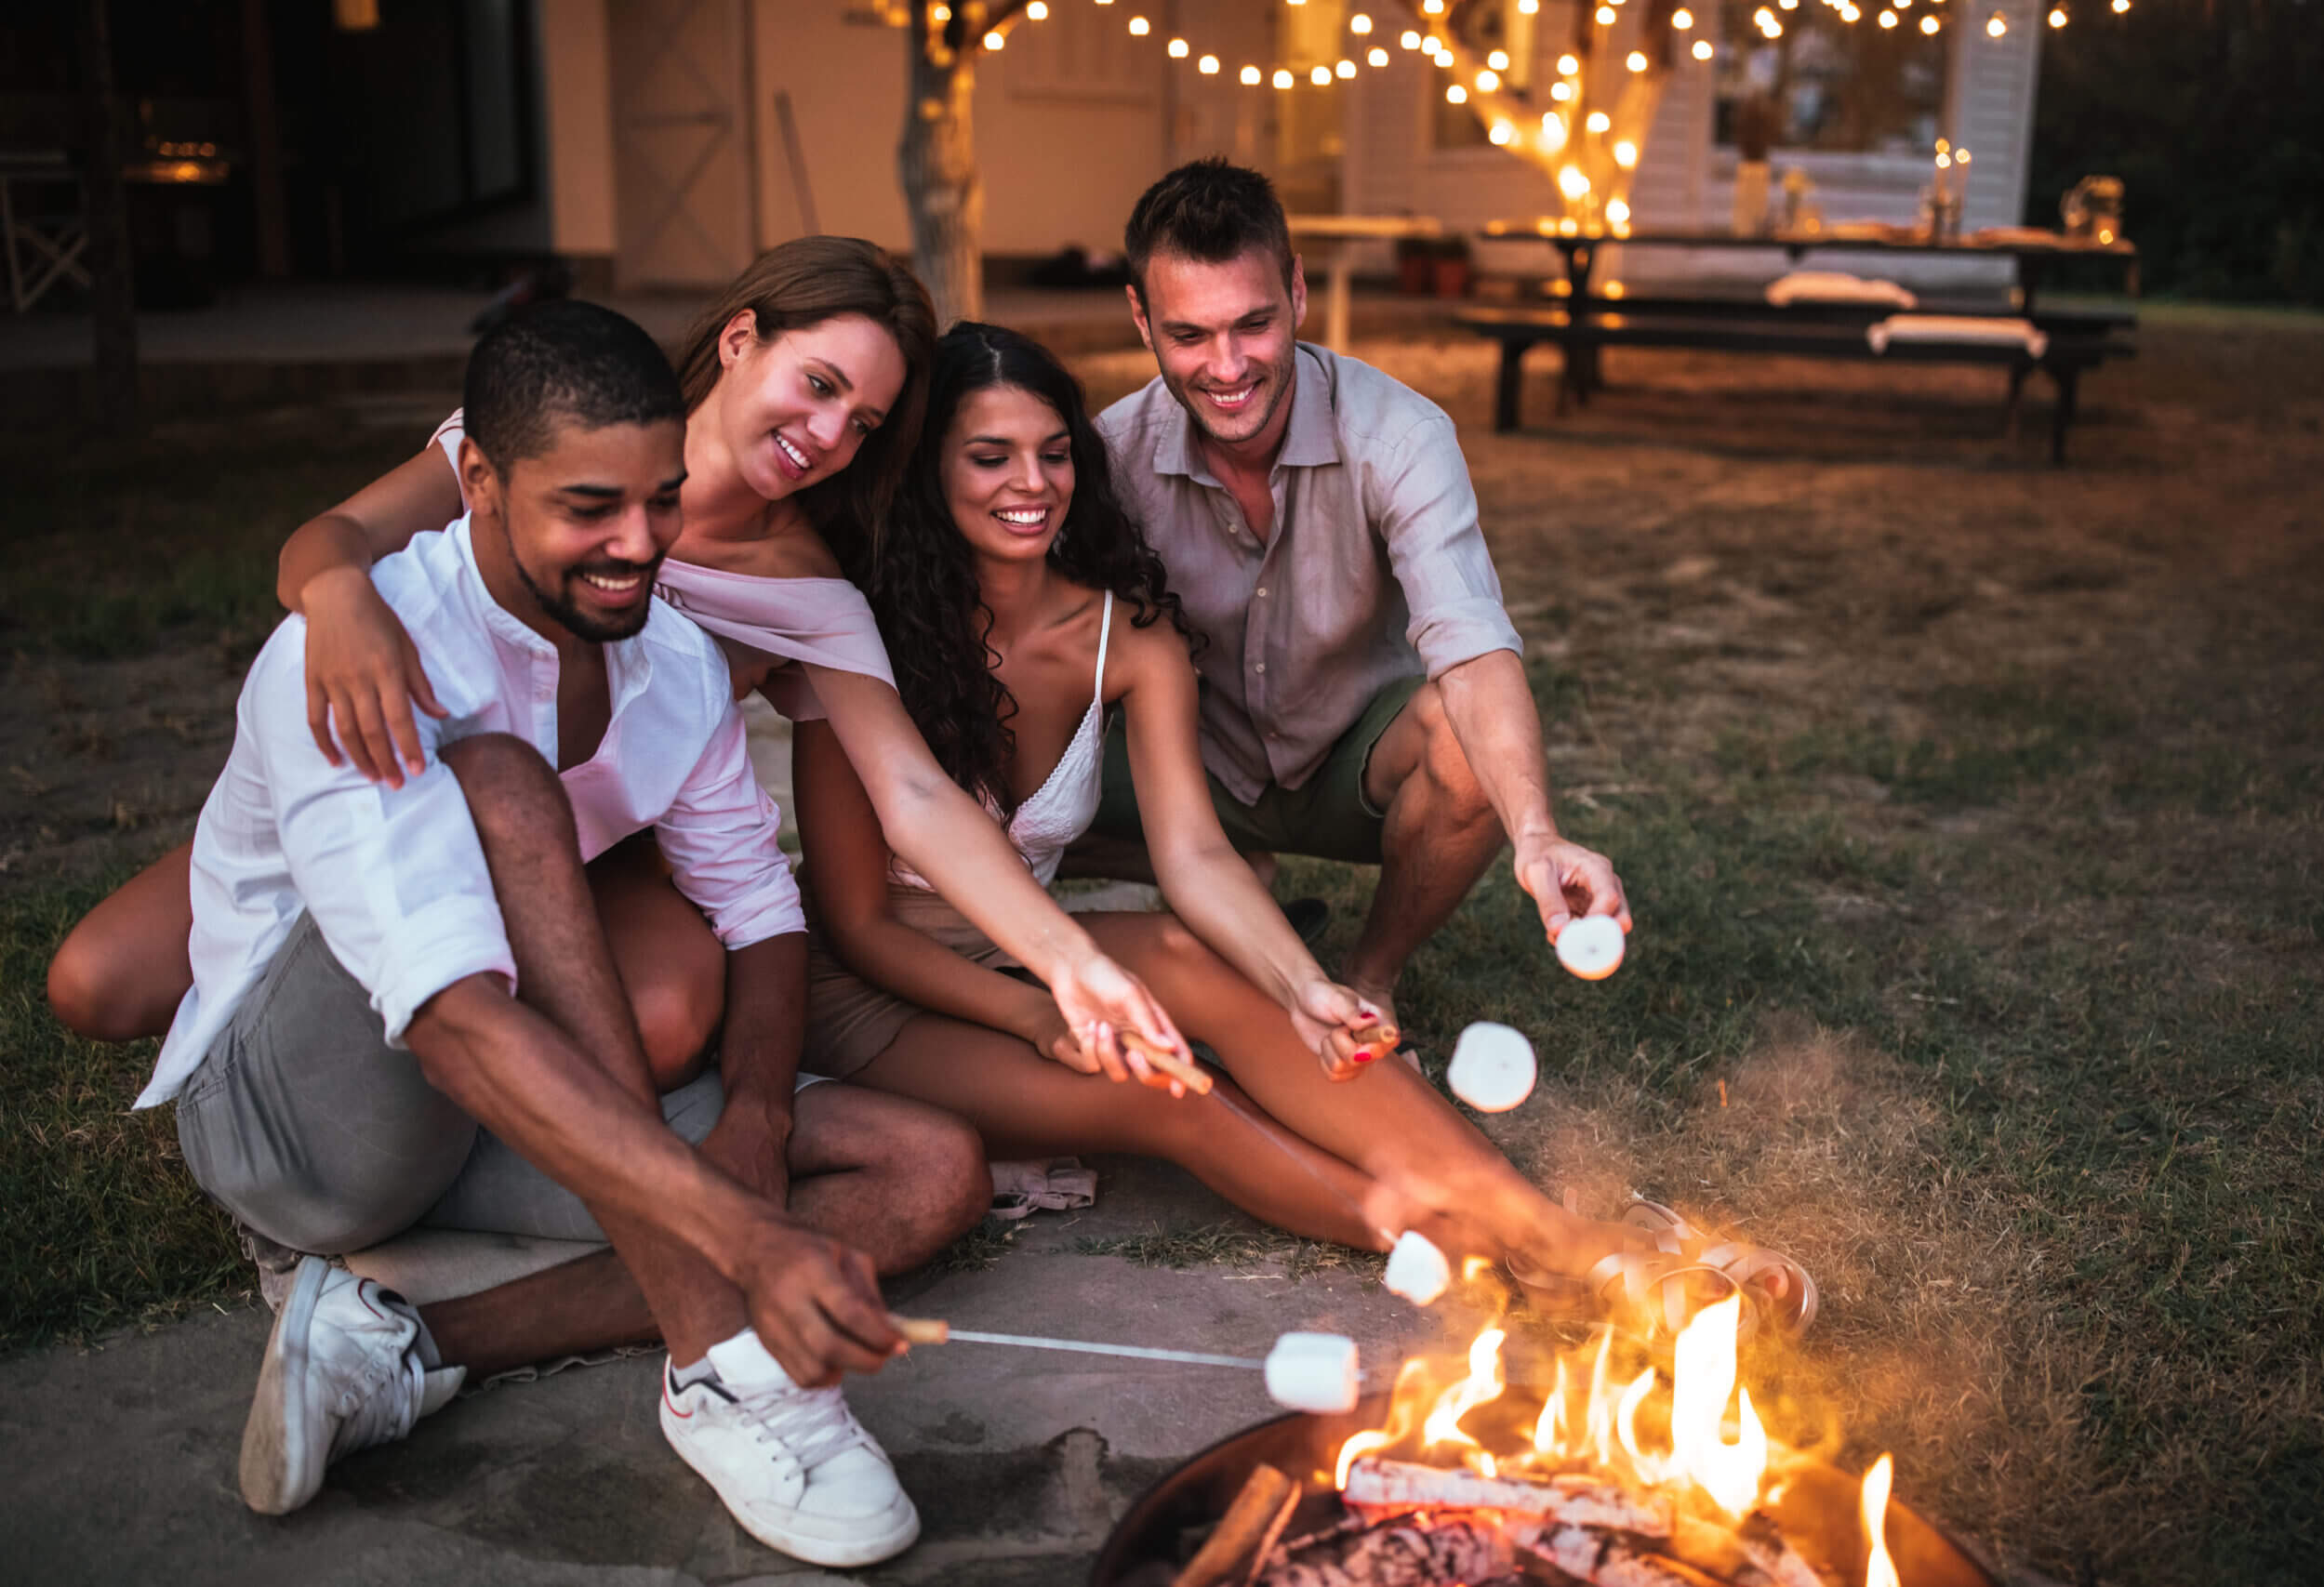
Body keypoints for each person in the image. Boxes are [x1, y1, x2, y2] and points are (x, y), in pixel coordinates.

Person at [139, 301, 985, 1567]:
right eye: (590, 505)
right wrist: (743, 1237)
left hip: (505, 1104)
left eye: (661, 498)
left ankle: (403, 1340)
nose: (639, 544)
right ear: (477, 478)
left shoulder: (674, 660)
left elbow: (761, 909)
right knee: (506, 785)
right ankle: (717, 1366)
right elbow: (456, 1022)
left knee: (929, 1173)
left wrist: (755, 1117)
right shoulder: (354, 649)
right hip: (301, 1122)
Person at [790, 321, 1791, 1303]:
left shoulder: (1122, 633)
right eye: (989, 457)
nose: (1032, 483)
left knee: (1213, 965)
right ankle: (1502, 1251)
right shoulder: (860, 632)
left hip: (1037, 951)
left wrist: (1299, 983)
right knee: (1169, 1091)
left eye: (1054, 453)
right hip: (875, 1001)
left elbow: (1194, 856)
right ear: (930, 472)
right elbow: (858, 925)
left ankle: (1561, 1237)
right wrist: (1036, 1013)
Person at [49, 235, 1189, 1090]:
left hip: (594, 843)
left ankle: (454, 1075)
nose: (829, 435)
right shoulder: (569, 431)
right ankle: (357, 969)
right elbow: (328, 538)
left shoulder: (809, 584)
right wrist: (340, 596)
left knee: (665, 1022)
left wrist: (1063, 960)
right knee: (93, 984)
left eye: (864, 424)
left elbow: (913, 795)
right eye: (820, 386)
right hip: (391, 768)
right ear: (743, 337)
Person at [1074, 159, 1632, 1036]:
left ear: (1296, 290)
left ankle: (1373, 975)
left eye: (1254, 324)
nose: (1227, 367)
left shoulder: (1402, 435)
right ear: (1141, 316)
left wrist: (1535, 831)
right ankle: (1220, 873)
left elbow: (1475, 648)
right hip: (1185, 769)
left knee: (1465, 739)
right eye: (1189, 335)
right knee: (992, 764)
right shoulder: (1109, 455)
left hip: (1349, 764)